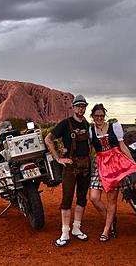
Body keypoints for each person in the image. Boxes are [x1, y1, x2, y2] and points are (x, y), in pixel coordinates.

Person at [88, 103, 136, 242]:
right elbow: (89, 150)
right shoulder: (90, 130)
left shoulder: (115, 127)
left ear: (104, 115)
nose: (99, 118)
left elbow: (122, 146)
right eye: (96, 116)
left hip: (115, 163)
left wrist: (134, 163)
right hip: (100, 163)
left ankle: (107, 230)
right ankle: (111, 218)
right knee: (94, 197)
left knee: (111, 199)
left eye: (101, 115)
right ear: (93, 117)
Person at [44, 94, 91, 247]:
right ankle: (65, 233)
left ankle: (77, 228)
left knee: (82, 198)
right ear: (73, 107)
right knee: (67, 199)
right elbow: (48, 139)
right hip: (70, 166)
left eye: (83, 106)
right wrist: (58, 158)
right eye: (78, 106)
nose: (81, 108)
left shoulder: (87, 125)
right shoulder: (65, 124)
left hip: (86, 166)